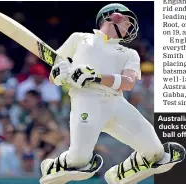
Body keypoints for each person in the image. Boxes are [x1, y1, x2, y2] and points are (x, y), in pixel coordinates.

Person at [40, 3, 185, 184]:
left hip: (116, 103)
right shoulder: (79, 39)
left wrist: (96, 77)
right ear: (114, 16)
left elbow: (128, 83)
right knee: (79, 161)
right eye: (127, 23)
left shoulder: (130, 53)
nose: (129, 28)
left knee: (155, 151)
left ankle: (120, 173)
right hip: (87, 101)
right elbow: (55, 73)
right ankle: (52, 166)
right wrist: (60, 75)